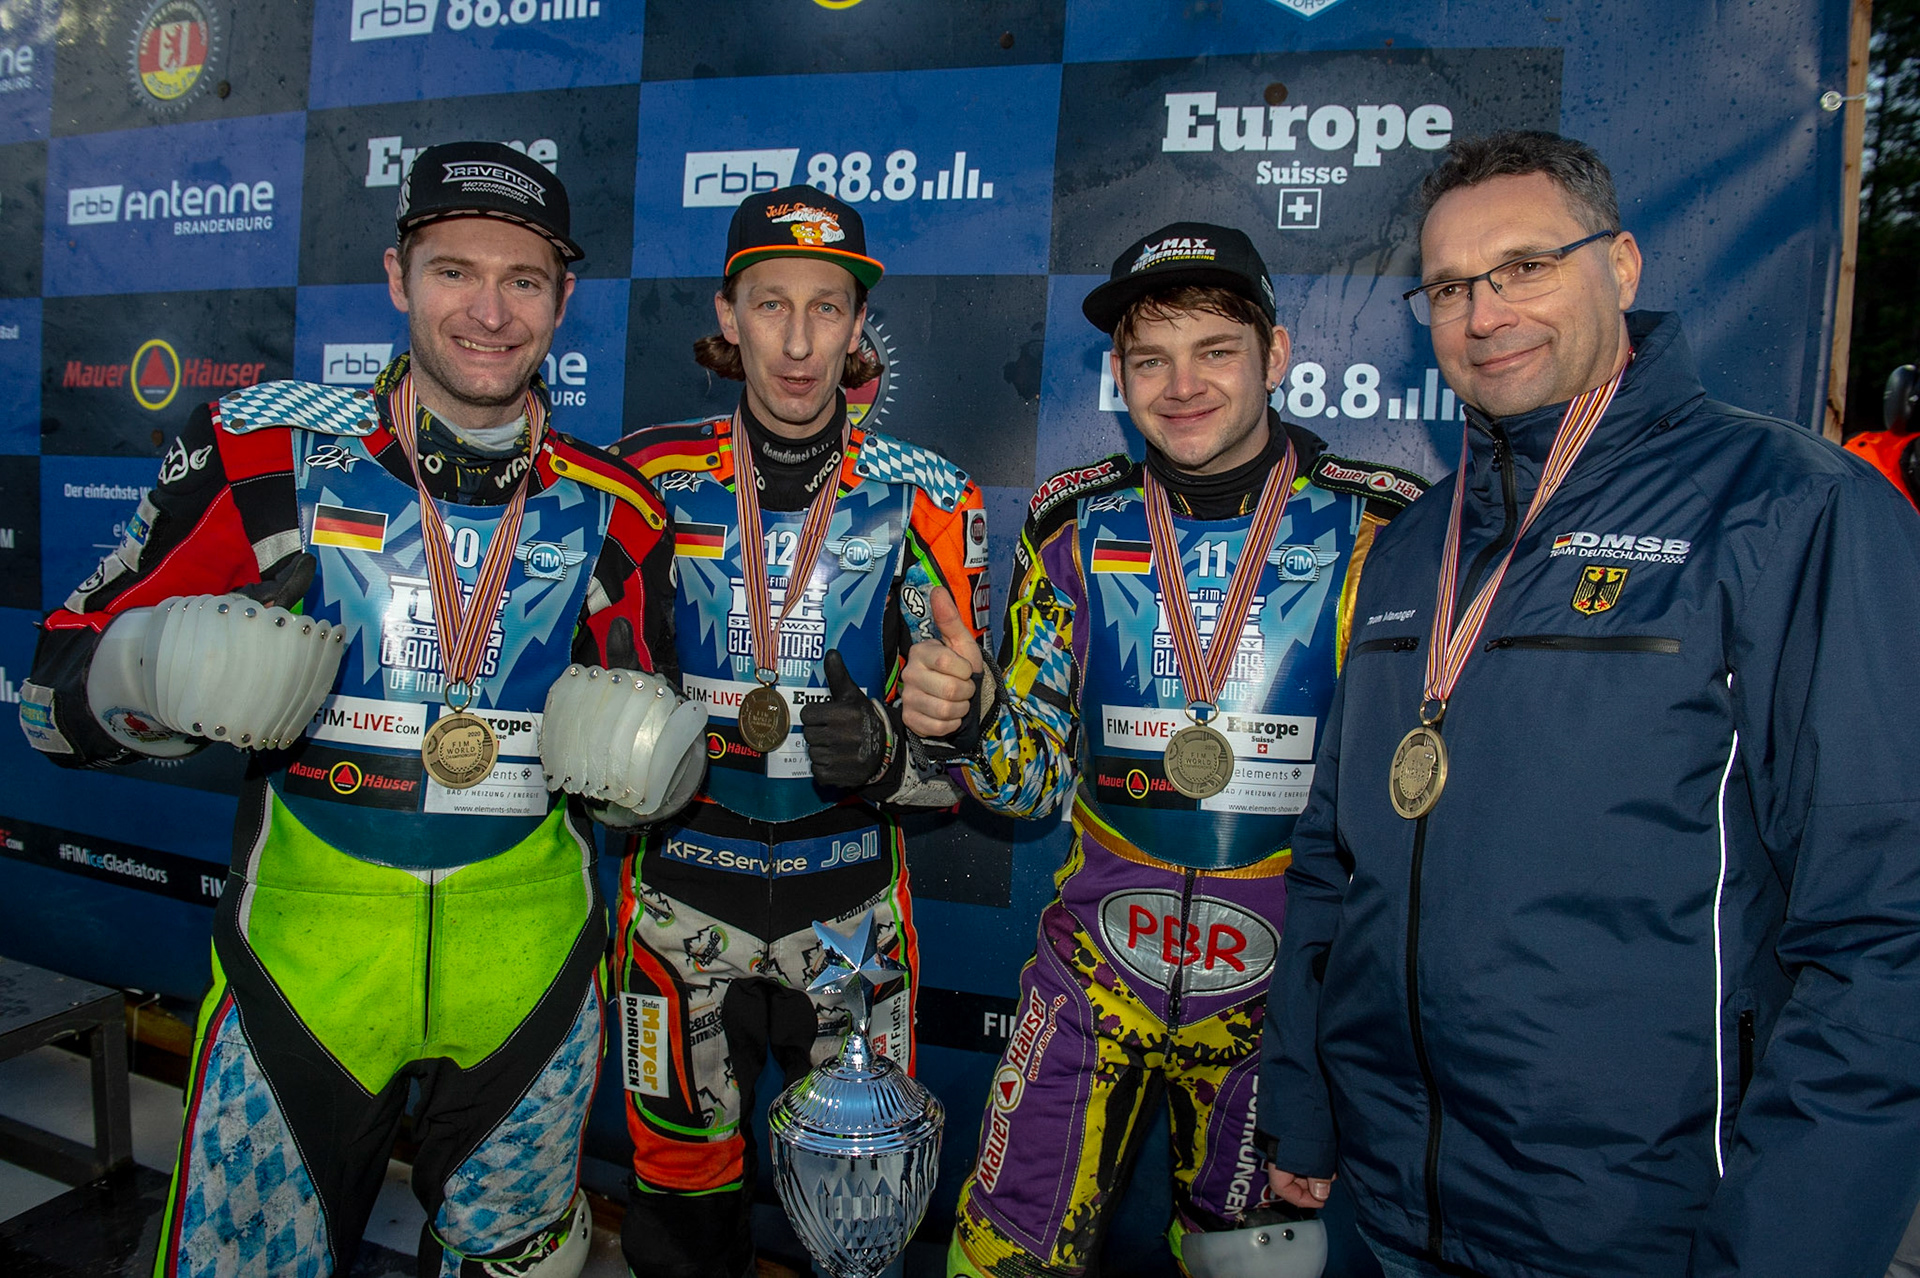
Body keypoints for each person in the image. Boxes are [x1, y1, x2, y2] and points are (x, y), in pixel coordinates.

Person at [19, 141, 707, 1278]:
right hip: (305, 974)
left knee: (525, 1268)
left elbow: (652, 747)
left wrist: (657, 772)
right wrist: (143, 670)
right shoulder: (261, 454)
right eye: (452, 272)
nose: (488, 311)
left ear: (565, 298)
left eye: (524, 280)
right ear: (397, 277)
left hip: (530, 983)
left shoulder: (619, 508)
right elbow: (48, 701)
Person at [1256, 129, 1920, 1278]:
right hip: (1396, 1209)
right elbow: (1337, 854)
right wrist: (1307, 1101)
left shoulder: (1796, 511)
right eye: (1453, 286)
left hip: (1641, 1229)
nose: (1486, 312)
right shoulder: (1412, 545)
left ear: (1620, 266)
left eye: (1526, 266)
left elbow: (1885, 934)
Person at [901, 222, 1424, 1278]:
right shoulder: (1075, 526)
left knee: (1251, 1263)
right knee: (1002, 1251)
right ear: (1121, 376)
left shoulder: (1382, 530)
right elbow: (1032, 779)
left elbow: (1415, 804)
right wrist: (970, 722)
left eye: (1215, 350)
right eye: (1151, 357)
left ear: (1275, 356)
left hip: (1282, 996)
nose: (1181, 384)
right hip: (1093, 972)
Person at [605, 185, 991, 1278]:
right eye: (771, 305)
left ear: (859, 325)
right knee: (677, 1218)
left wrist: (892, 757)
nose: (798, 339)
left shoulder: (931, 499)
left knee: (861, 1213)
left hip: (850, 916)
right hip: (677, 908)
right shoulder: (642, 480)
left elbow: (973, 761)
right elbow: (588, 707)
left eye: (828, 308)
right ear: (728, 315)